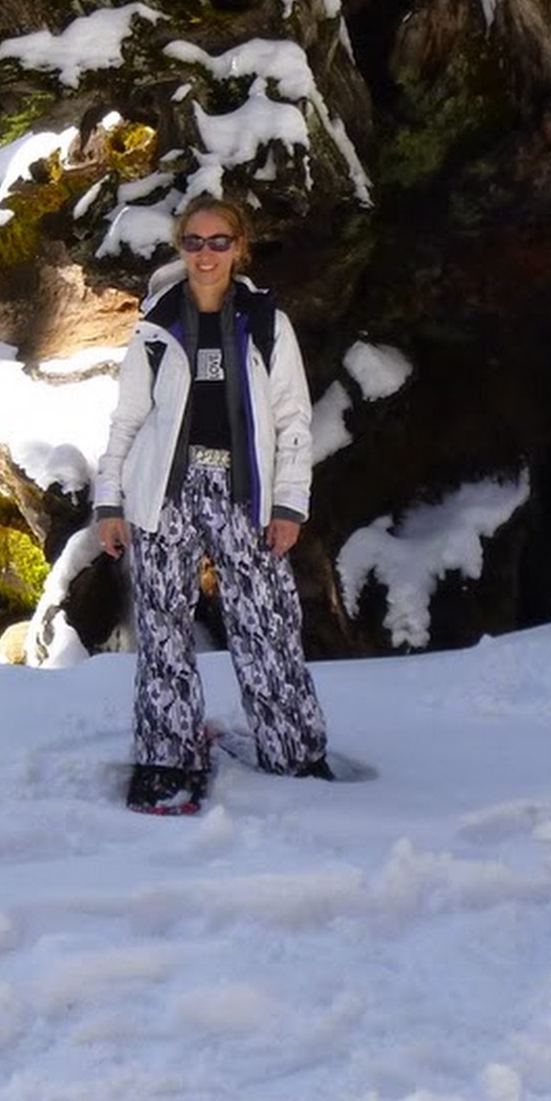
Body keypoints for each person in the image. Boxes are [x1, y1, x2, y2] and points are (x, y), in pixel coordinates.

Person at [92, 193, 330, 813]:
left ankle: (293, 749)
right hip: (163, 491)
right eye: (193, 242)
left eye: (218, 241)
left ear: (239, 247)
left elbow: (292, 419)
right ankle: (167, 760)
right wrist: (109, 501)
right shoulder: (156, 324)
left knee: (266, 622)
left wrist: (289, 505)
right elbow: (127, 420)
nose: (206, 255)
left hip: (244, 492)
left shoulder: (266, 322)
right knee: (163, 627)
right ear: (181, 248)